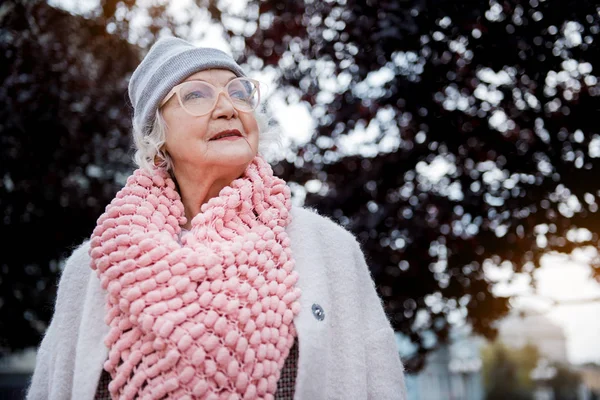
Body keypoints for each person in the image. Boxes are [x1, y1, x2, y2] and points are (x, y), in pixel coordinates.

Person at [25, 36, 407, 400]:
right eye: (195, 95)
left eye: (239, 93)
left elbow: (383, 385)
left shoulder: (331, 250)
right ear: (156, 135)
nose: (228, 108)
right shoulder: (96, 267)